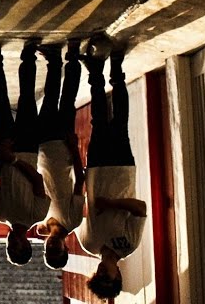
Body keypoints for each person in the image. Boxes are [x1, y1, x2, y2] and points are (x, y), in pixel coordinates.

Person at [76, 35, 148, 300]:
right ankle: (116, 66)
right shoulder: (129, 244)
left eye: (98, 277)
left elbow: (81, 208)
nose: (101, 272)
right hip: (121, 171)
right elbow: (140, 208)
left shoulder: (88, 243)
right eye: (107, 276)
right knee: (119, 122)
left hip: (96, 172)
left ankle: (95, 71)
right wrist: (113, 204)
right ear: (118, 275)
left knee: (98, 121)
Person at [0, 39, 50, 266]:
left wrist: (1, 158)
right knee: (26, 98)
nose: (11, 242)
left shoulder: (0, 215)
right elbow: (37, 180)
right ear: (26, 244)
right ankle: (29, 54)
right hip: (27, 149)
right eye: (15, 246)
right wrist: (13, 159)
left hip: (5, 149)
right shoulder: (37, 215)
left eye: (9, 247)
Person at [33, 39, 86, 270]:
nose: (52, 246)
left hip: (43, 150)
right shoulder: (73, 221)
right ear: (65, 248)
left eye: (49, 250)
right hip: (63, 150)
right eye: (57, 250)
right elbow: (80, 181)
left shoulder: (41, 221)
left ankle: (54, 60)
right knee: (66, 99)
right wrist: (74, 147)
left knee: (49, 99)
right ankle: (73, 55)